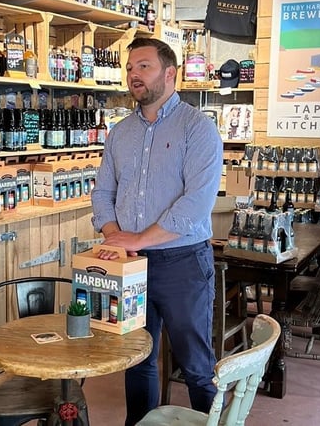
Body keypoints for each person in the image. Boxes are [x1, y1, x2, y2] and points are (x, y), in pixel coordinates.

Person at [91, 37, 223, 424]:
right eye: (130, 68)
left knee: (196, 365)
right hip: (129, 263)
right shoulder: (120, 133)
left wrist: (134, 240)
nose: (133, 74)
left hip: (182, 263)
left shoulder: (198, 129)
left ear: (170, 73)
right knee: (137, 360)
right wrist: (117, 237)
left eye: (143, 66)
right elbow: (103, 193)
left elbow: (195, 205)